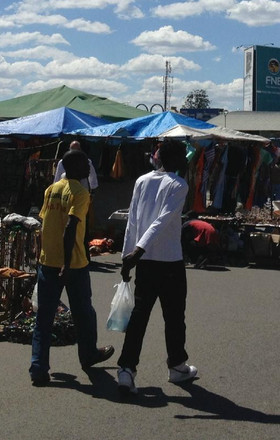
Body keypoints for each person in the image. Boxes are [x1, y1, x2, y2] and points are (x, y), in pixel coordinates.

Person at [117, 140, 197, 396]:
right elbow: (163, 219)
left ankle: (126, 370)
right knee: (174, 317)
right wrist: (136, 251)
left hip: (144, 262)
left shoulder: (142, 181)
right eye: (183, 157)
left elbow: (133, 220)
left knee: (139, 317)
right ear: (172, 159)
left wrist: (128, 255)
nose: (186, 161)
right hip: (169, 261)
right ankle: (176, 365)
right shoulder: (178, 185)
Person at [29, 149, 114, 386]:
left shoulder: (51, 189)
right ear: (75, 167)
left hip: (48, 262)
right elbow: (70, 227)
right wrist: (66, 264)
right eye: (86, 165)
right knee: (84, 313)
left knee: (43, 319)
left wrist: (41, 253)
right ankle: (88, 356)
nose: (89, 169)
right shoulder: (80, 192)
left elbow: (45, 223)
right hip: (73, 264)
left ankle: (38, 368)